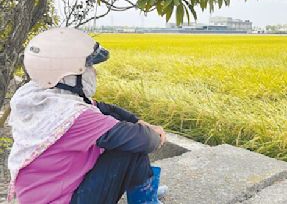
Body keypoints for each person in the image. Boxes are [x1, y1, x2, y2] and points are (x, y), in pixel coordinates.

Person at [6, 28, 167, 204]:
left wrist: (138, 121)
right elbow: (145, 140)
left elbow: (103, 107)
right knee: (132, 147)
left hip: (41, 194)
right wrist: (154, 134)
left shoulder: (37, 96)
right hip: (64, 200)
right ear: (68, 73)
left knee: (129, 136)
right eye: (89, 67)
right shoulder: (76, 116)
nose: (94, 73)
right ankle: (144, 197)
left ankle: (142, 189)